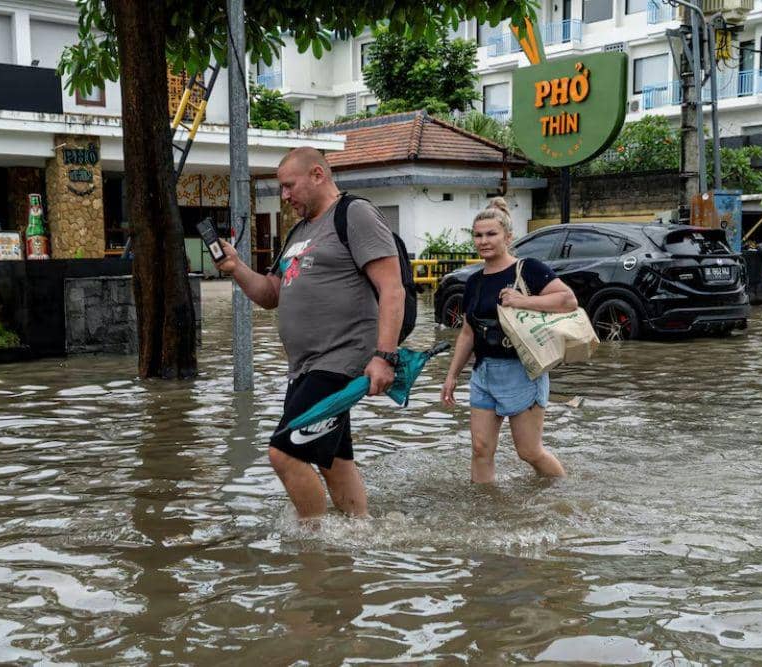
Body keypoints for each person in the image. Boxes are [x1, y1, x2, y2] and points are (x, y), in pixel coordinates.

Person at [216, 147, 405, 520]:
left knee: (284, 453)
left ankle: (314, 546)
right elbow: (271, 294)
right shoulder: (299, 232)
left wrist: (385, 356)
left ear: (318, 175)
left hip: (340, 360)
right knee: (334, 459)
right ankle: (359, 534)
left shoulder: (355, 214)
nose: (284, 196)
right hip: (304, 367)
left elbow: (392, 288)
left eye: (289, 186)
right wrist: (236, 268)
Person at [441, 198, 577, 483]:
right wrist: (452, 375)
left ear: (508, 236)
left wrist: (523, 300)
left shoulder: (528, 269)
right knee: (480, 449)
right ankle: (484, 509)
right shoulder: (474, 281)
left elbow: (568, 300)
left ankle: (562, 493)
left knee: (528, 451)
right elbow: (468, 332)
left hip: (523, 370)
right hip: (484, 372)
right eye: (478, 235)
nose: (484, 241)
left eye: (491, 234)